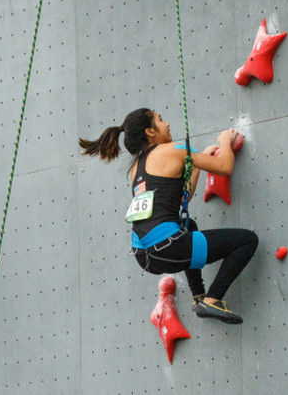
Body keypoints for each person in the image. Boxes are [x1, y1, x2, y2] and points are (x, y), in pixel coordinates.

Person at [79, 108, 258, 324]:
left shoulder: (136, 168)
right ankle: (212, 299)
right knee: (247, 241)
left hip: (144, 256)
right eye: (160, 120)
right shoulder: (174, 149)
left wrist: (196, 167)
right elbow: (225, 167)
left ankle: (199, 295)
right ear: (150, 132)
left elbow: (182, 200)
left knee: (187, 224)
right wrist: (226, 141)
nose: (167, 124)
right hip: (169, 247)